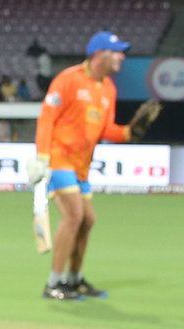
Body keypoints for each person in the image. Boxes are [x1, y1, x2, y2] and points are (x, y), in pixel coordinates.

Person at [28, 31, 161, 301]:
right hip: (59, 158)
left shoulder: (109, 88)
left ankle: (73, 280)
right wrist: (41, 157)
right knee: (75, 215)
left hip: (81, 166)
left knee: (88, 220)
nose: (122, 57)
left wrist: (129, 132)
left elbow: (105, 129)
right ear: (100, 54)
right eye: (117, 52)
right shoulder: (68, 79)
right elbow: (46, 117)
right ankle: (53, 284)